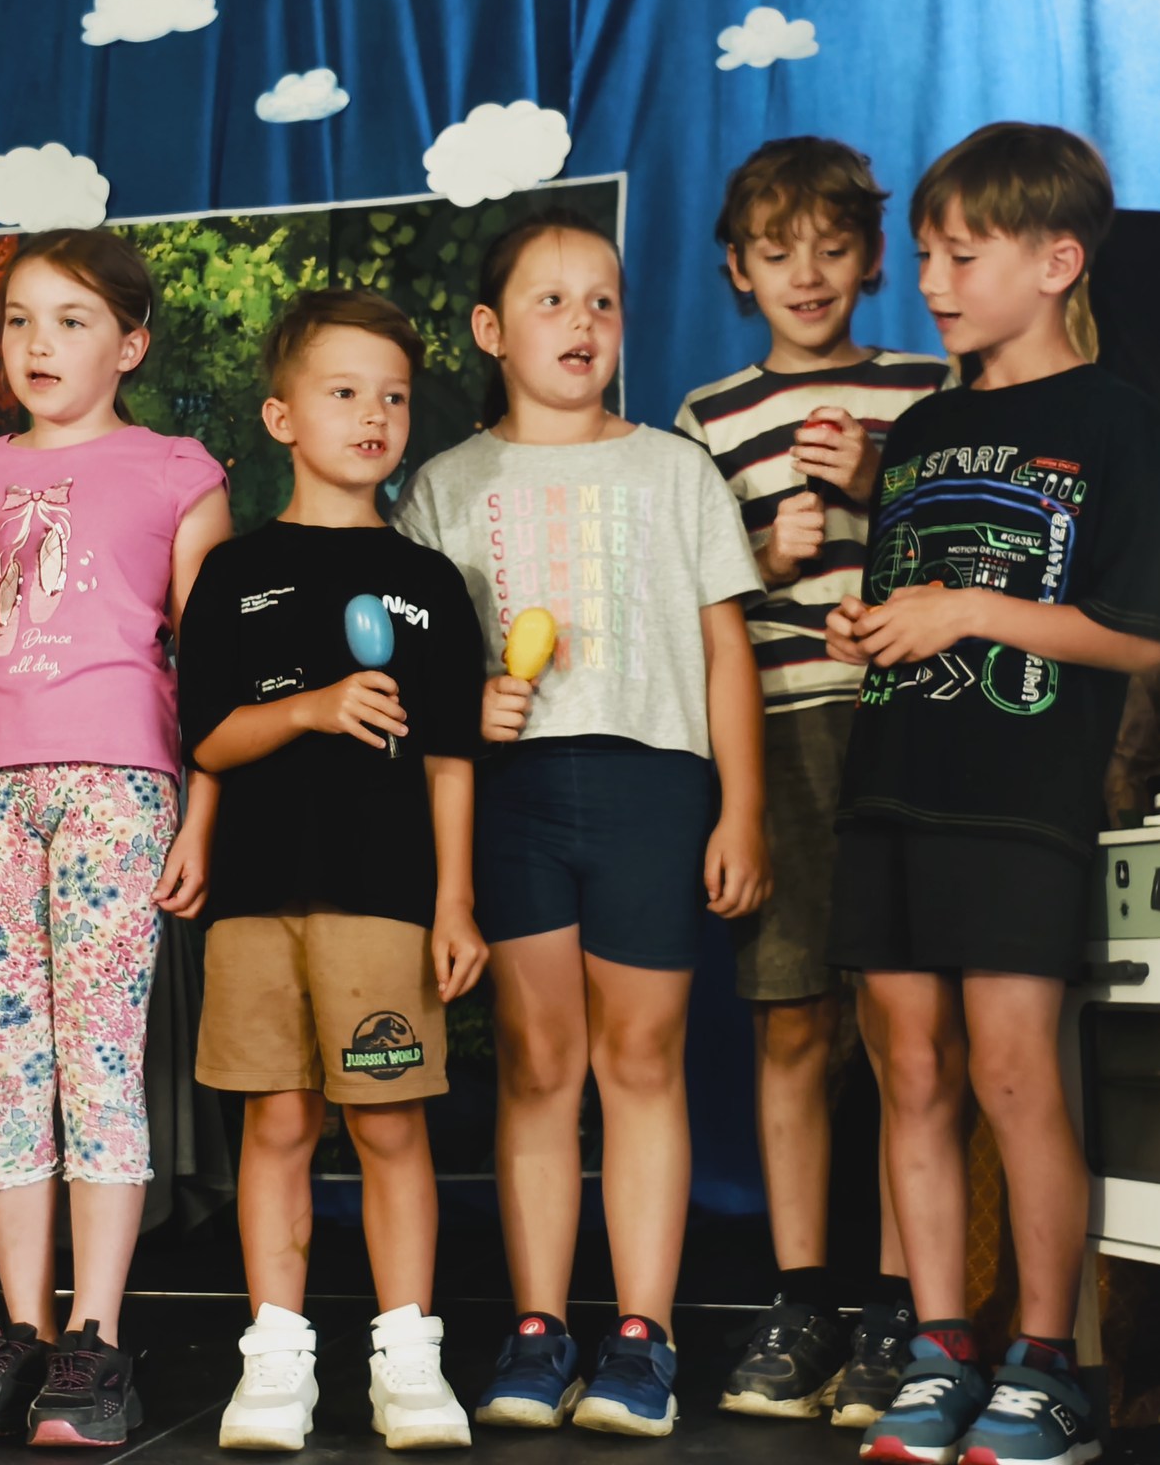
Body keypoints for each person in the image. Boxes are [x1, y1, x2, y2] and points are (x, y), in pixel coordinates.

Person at [828, 123, 1160, 1465]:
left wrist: (968, 610)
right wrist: (876, 628)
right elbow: (906, 601)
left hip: (1020, 798)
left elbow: (1135, 635)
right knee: (907, 1068)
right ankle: (938, 1351)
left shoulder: (1117, 421)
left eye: (960, 256)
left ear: (1055, 260)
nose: (930, 282)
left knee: (1015, 1072)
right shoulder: (921, 428)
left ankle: (1045, 1364)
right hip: (889, 786)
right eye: (923, 254)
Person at [397, 208, 769, 1439]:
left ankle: (641, 1335)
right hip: (510, 800)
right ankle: (537, 1330)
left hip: (651, 787)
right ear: (489, 329)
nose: (581, 322)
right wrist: (470, 703)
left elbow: (725, 651)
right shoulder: (444, 487)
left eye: (601, 301)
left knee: (641, 1059)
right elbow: (418, 678)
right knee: (536, 1062)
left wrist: (741, 808)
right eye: (549, 301)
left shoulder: (674, 469)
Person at [0, 228, 230, 1447]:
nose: (37, 343)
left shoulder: (174, 471)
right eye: (18, 320)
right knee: (5, 1062)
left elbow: (212, 664)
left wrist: (201, 809)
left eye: (71, 320)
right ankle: (21, 1328)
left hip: (116, 785)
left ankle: (95, 1337)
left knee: (97, 1055)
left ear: (129, 346)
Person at [181, 289, 488, 1452]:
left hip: (384, 900)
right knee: (274, 1123)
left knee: (390, 1126)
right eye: (344, 392)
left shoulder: (429, 583)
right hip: (254, 902)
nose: (372, 416)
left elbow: (450, 758)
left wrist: (453, 901)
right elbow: (208, 738)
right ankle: (274, 1361)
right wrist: (307, 707)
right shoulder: (231, 573)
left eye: (392, 398)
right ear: (280, 417)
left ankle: (409, 1360)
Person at [674, 137, 946, 1428]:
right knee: (790, 1022)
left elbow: (971, 552)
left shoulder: (928, 389)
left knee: (904, 1032)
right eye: (777, 253)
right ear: (737, 269)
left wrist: (880, 488)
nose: (807, 273)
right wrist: (772, 560)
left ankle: (899, 1308)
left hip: (905, 730)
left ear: (874, 259)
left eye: (833, 249)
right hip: (777, 739)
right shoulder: (708, 417)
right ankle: (799, 1301)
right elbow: (696, 608)